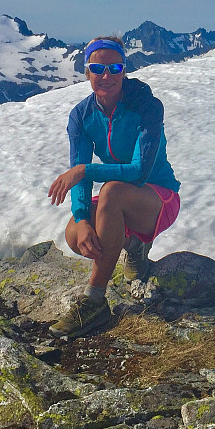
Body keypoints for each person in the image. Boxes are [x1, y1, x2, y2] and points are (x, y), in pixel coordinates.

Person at [47, 36, 181, 339]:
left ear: (124, 70)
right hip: (120, 198)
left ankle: (94, 300)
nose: (106, 76)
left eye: (114, 67)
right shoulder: (81, 115)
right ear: (87, 72)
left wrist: (84, 169)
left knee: (111, 191)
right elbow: (79, 175)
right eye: (98, 68)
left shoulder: (147, 106)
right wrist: (81, 219)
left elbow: (139, 172)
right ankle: (134, 247)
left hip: (159, 198)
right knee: (73, 233)